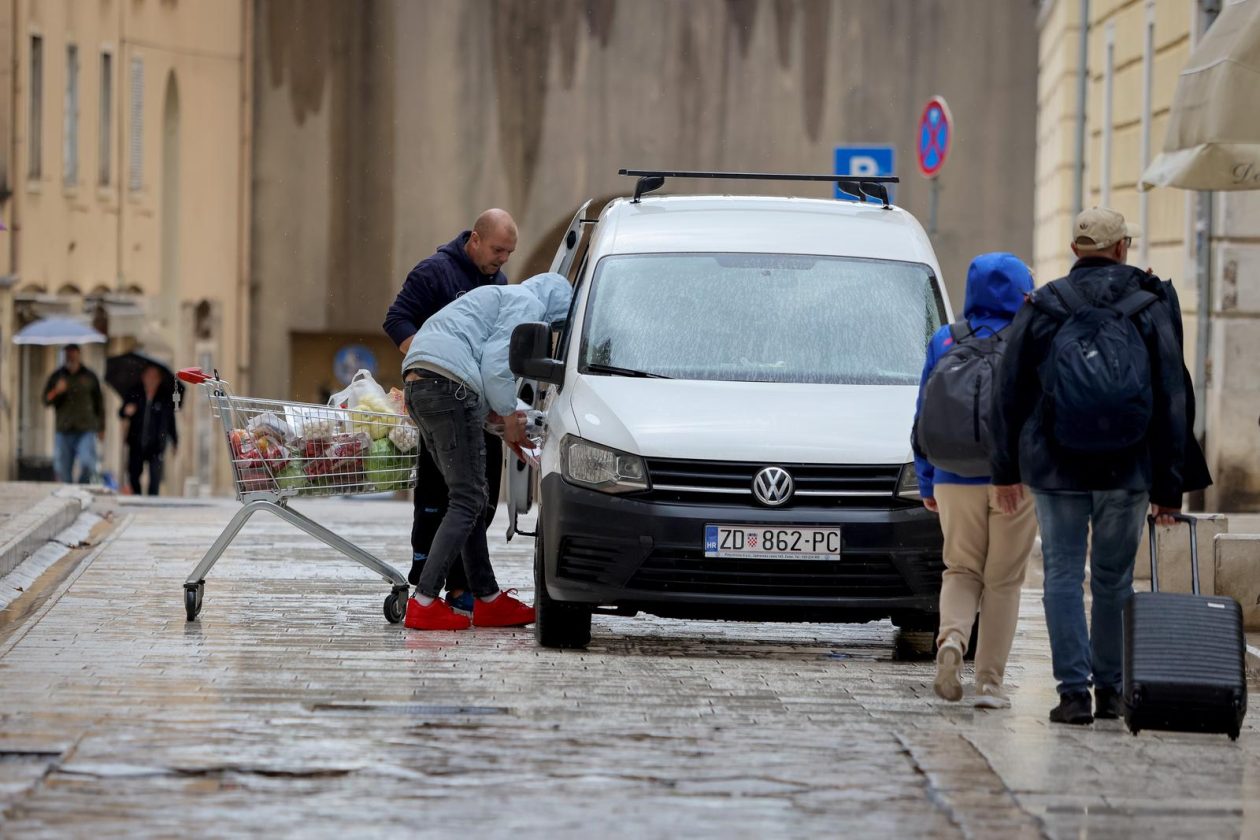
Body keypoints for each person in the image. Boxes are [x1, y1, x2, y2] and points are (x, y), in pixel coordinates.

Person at [990, 207, 1208, 726]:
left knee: (1063, 575)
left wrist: (1004, 472)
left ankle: (1072, 695)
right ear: (1122, 248)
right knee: (1113, 580)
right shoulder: (1148, 303)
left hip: (1055, 466)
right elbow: (1173, 395)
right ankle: (1111, 691)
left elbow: (1007, 390)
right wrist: (1170, 488)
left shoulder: (1044, 304)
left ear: (1073, 251)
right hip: (1128, 468)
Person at [400, 272, 572, 631]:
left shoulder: (501, 297)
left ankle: (487, 597)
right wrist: (509, 418)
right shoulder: (529, 305)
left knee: (468, 498)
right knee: (467, 499)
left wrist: (504, 426)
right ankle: (425, 601)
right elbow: (495, 369)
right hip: (447, 384)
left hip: (422, 383)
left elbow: (478, 371)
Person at [913, 252, 1038, 709]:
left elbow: (922, 414)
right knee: (1003, 581)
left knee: (961, 570)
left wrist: (927, 482)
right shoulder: (1031, 338)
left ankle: (951, 643)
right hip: (1015, 481)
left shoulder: (946, 339)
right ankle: (989, 684)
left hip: (951, 475)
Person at [383, 209, 519, 614]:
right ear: (474, 240)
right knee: (443, 498)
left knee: (481, 499)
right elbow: (396, 320)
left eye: (509, 253)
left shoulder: (499, 283)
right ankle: (430, 587)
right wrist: (432, 362)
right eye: (497, 249)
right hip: (442, 403)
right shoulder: (435, 273)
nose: (502, 259)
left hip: (479, 407)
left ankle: (468, 588)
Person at [42, 344, 105, 484]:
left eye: (73, 353)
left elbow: (99, 404)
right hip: (64, 429)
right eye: (68, 353)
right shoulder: (57, 376)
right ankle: (69, 493)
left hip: (86, 429)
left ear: (78, 354)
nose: (70, 356)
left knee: (88, 464)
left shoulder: (89, 376)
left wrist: (101, 427)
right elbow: (46, 400)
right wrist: (56, 391)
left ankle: (82, 488)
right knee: (62, 469)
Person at [120, 365, 178, 495]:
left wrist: (175, 440)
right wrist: (126, 411)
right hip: (136, 442)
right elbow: (121, 412)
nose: (151, 380)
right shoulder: (134, 393)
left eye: (154, 377)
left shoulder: (165, 397)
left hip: (156, 445)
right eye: (148, 376)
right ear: (143, 377)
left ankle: (153, 503)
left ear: (159, 379)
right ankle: (137, 499)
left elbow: (171, 421)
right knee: (134, 476)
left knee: (155, 478)